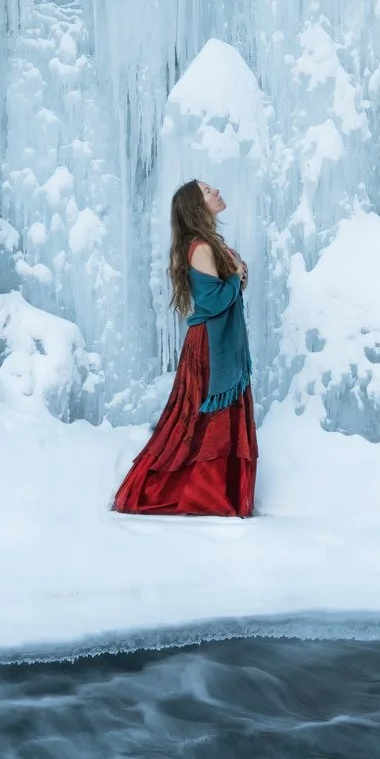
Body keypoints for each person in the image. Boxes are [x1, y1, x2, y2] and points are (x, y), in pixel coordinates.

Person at [113, 179, 257, 517]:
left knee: (201, 419)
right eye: (208, 192)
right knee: (203, 419)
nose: (217, 191)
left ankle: (209, 494)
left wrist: (237, 275)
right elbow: (215, 300)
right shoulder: (202, 248)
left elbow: (227, 291)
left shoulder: (207, 245)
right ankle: (194, 494)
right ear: (196, 207)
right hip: (211, 347)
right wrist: (236, 275)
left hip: (218, 341)